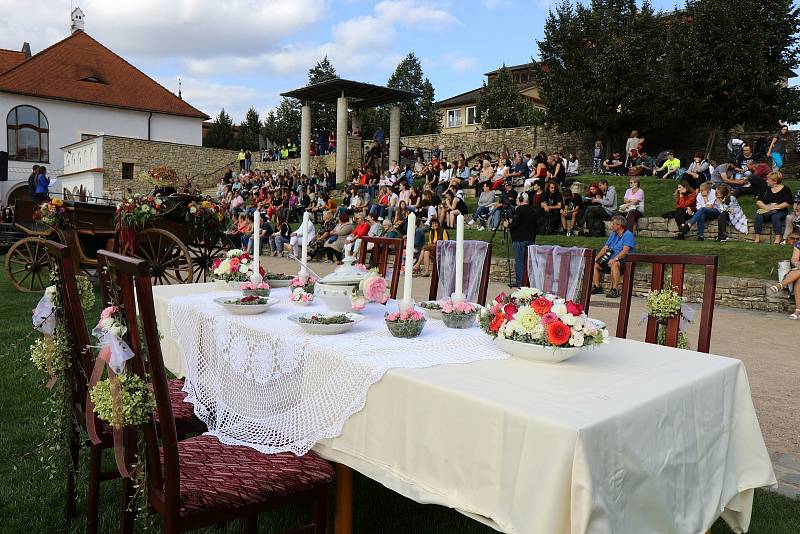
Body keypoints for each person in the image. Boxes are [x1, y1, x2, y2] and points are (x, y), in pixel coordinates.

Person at [592, 215, 635, 298]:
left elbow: (625, 251)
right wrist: (596, 258)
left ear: (619, 225)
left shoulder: (628, 235)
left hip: (624, 260)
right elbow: (605, 248)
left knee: (615, 264)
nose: (612, 225)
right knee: (595, 264)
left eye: (613, 224)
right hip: (609, 259)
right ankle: (597, 287)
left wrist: (615, 259)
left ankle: (614, 290)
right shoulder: (613, 234)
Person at [504, 192, 538, 288]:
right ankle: (528, 281)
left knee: (519, 261)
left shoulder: (519, 210)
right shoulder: (533, 210)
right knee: (528, 262)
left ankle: (520, 282)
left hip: (520, 239)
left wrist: (508, 225)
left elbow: (515, 224)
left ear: (521, 199)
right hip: (531, 239)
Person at [754, 171, 792, 244]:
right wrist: (766, 207)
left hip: (780, 211)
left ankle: (778, 238)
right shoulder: (765, 189)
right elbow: (758, 201)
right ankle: (757, 238)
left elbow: (787, 203)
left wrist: (774, 207)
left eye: (768, 179)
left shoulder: (786, 189)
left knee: (775, 216)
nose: (766, 180)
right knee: (759, 216)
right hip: (767, 210)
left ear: (775, 181)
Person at [768, 231, 800, 319]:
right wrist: (797, 264)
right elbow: (794, 259)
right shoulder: (799, 245)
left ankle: (780, 285)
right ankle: (798, 311)